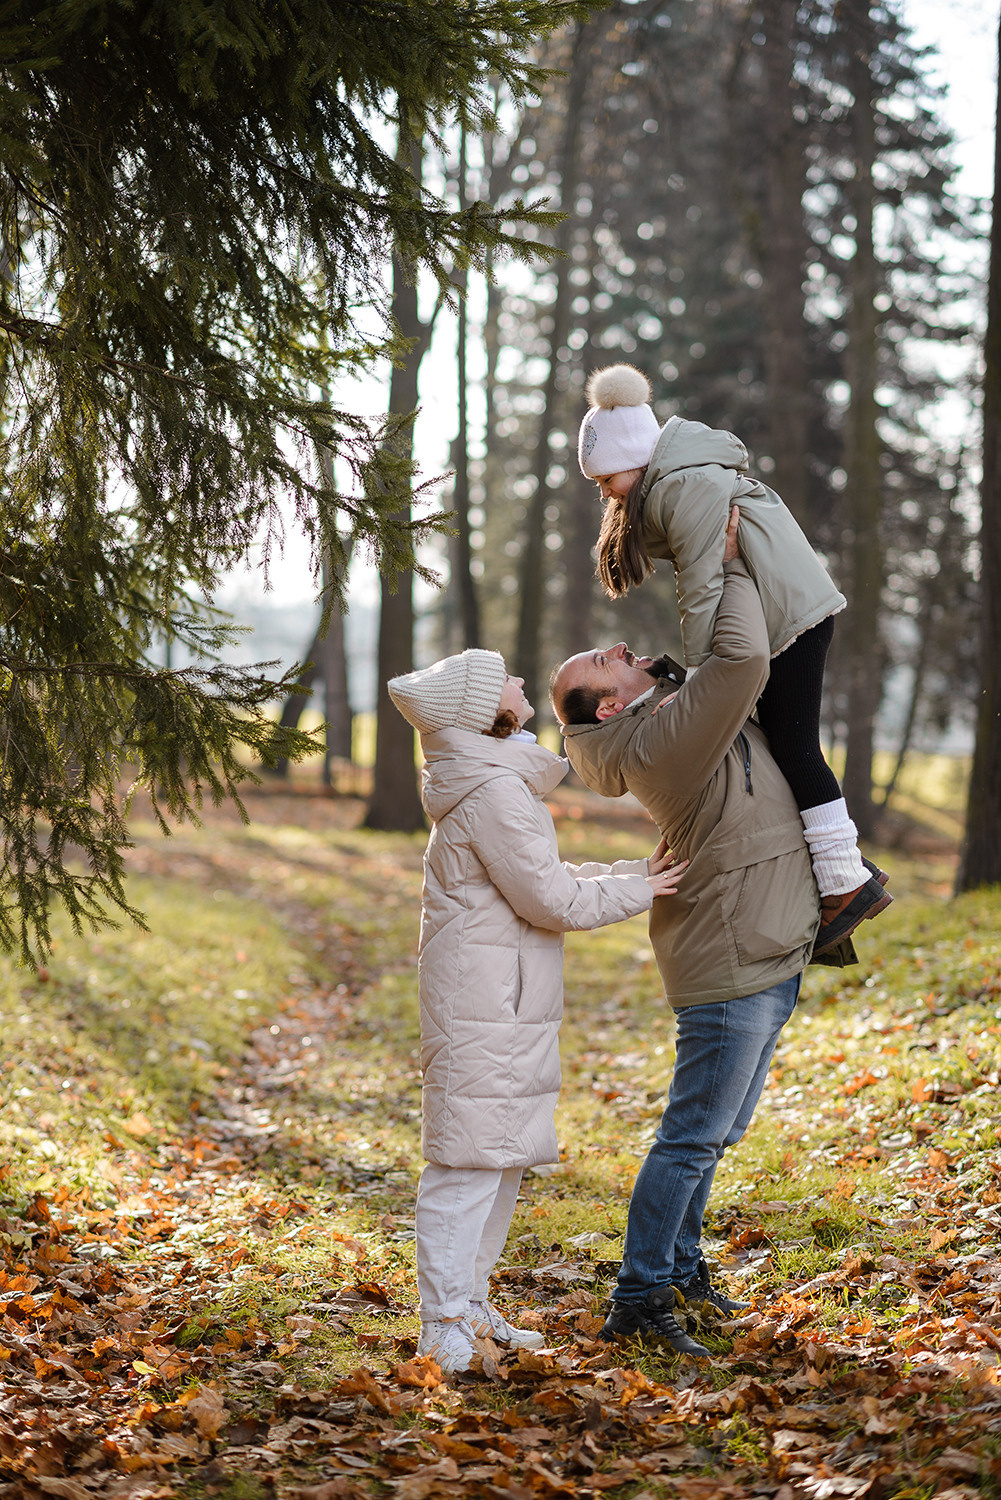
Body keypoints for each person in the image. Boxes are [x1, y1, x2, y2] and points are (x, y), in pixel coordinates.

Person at [548, 508, 837, 1359]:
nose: (629, 653)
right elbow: (743, 656)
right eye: (612, 661)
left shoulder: (660, 719)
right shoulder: (657, 741)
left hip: (764, 942)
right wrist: (722, 563)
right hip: (732, 951)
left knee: (719, 1132)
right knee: (690, 1136)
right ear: (607, 703)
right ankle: (638, 1294)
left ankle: (677, 1268)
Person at [387, 648, 687, 1376]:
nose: (522, 682)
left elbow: (542, 880)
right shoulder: (490, 793)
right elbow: (551, 900)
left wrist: (633, 875)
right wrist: (643, 890)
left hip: (504, 1002)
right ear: (484, 708)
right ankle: (441, 1324)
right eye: (505, 680)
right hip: (482, 1006)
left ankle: (470, 1300)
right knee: (464, 1165)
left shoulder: (494, 782)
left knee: (501, 1159)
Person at [575, 363, 891, 955]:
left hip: (792, 617)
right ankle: (840, 870)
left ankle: (845, 882)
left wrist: (700, 679)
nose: (605, 492)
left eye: (608, 477)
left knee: (794, 745)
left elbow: (700, 586)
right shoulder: (674, 482)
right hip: (785, 613)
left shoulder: (681, 486)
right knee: (781, 740)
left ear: (636, 460)